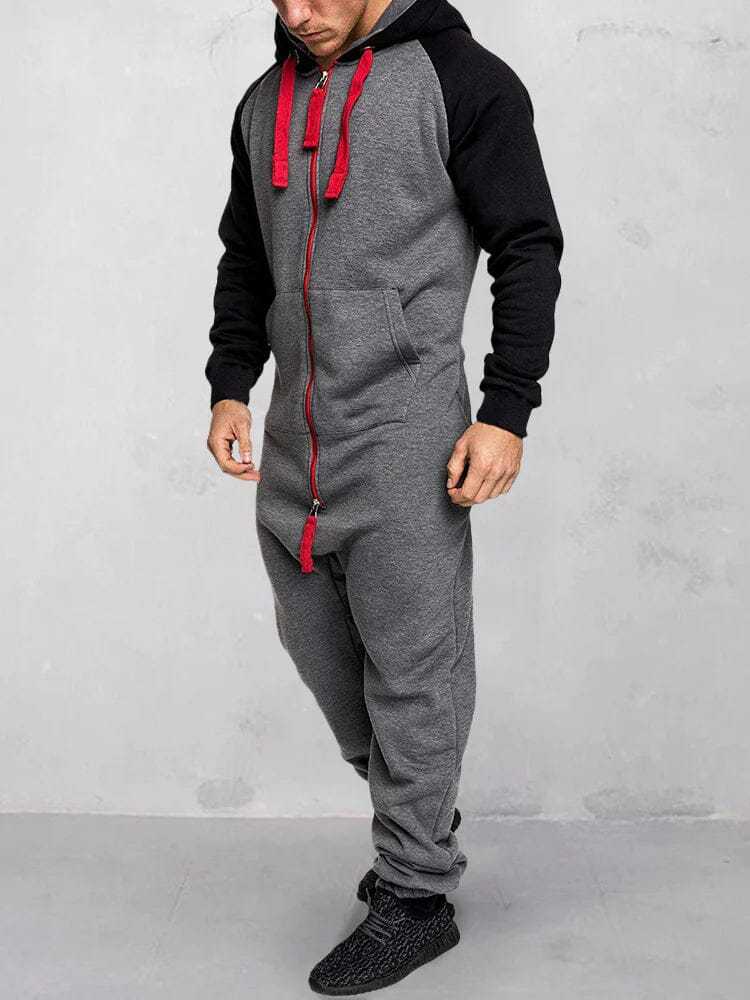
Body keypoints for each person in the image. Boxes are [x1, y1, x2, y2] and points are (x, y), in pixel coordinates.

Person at [205, 0, 563, 993]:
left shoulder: (465, 83)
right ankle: (419, 815)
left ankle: (415, 896)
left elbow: (527, 244)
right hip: (294, 434)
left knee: (414, 669)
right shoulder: (262, 104)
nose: (296, 12)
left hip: (410, 433)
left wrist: (507, 410)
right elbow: (247, 256)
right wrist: (230, 382)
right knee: (320, 649)